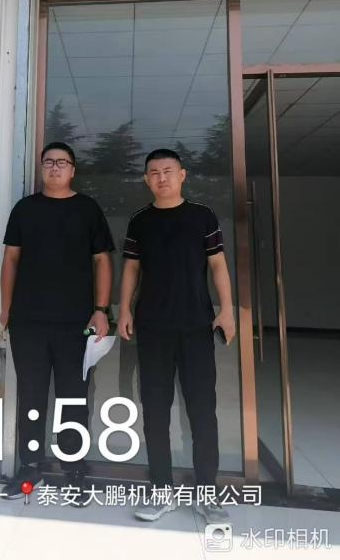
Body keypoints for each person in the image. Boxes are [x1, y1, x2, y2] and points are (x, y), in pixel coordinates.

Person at [117, 148, 236, 525]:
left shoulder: (202, 216)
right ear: (146, 179)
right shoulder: (140, 221)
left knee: (202, 411)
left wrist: (227, 309)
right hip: (153, 328)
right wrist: (124, 309)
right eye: (154, 172)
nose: (161, 177)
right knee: (154, 411)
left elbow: (218, 265)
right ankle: (161, 491)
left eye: (168, 171)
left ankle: (207, 494)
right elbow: (131, 269)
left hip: (196, 327)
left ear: (182, 175)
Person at [0, 141, 114, 505]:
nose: (54, 167)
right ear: (41, 168)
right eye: (48, 162)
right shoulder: (25, 209)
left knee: (74, 398)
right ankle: (30, 467)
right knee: (31, 395)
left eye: (62, 162)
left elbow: (102, 261)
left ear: (73, 170)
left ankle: (74, 469)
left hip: (75, 324)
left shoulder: (88, 209)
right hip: (28, 322)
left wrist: (101, 309)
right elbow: (11, 259)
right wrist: (6, 309)